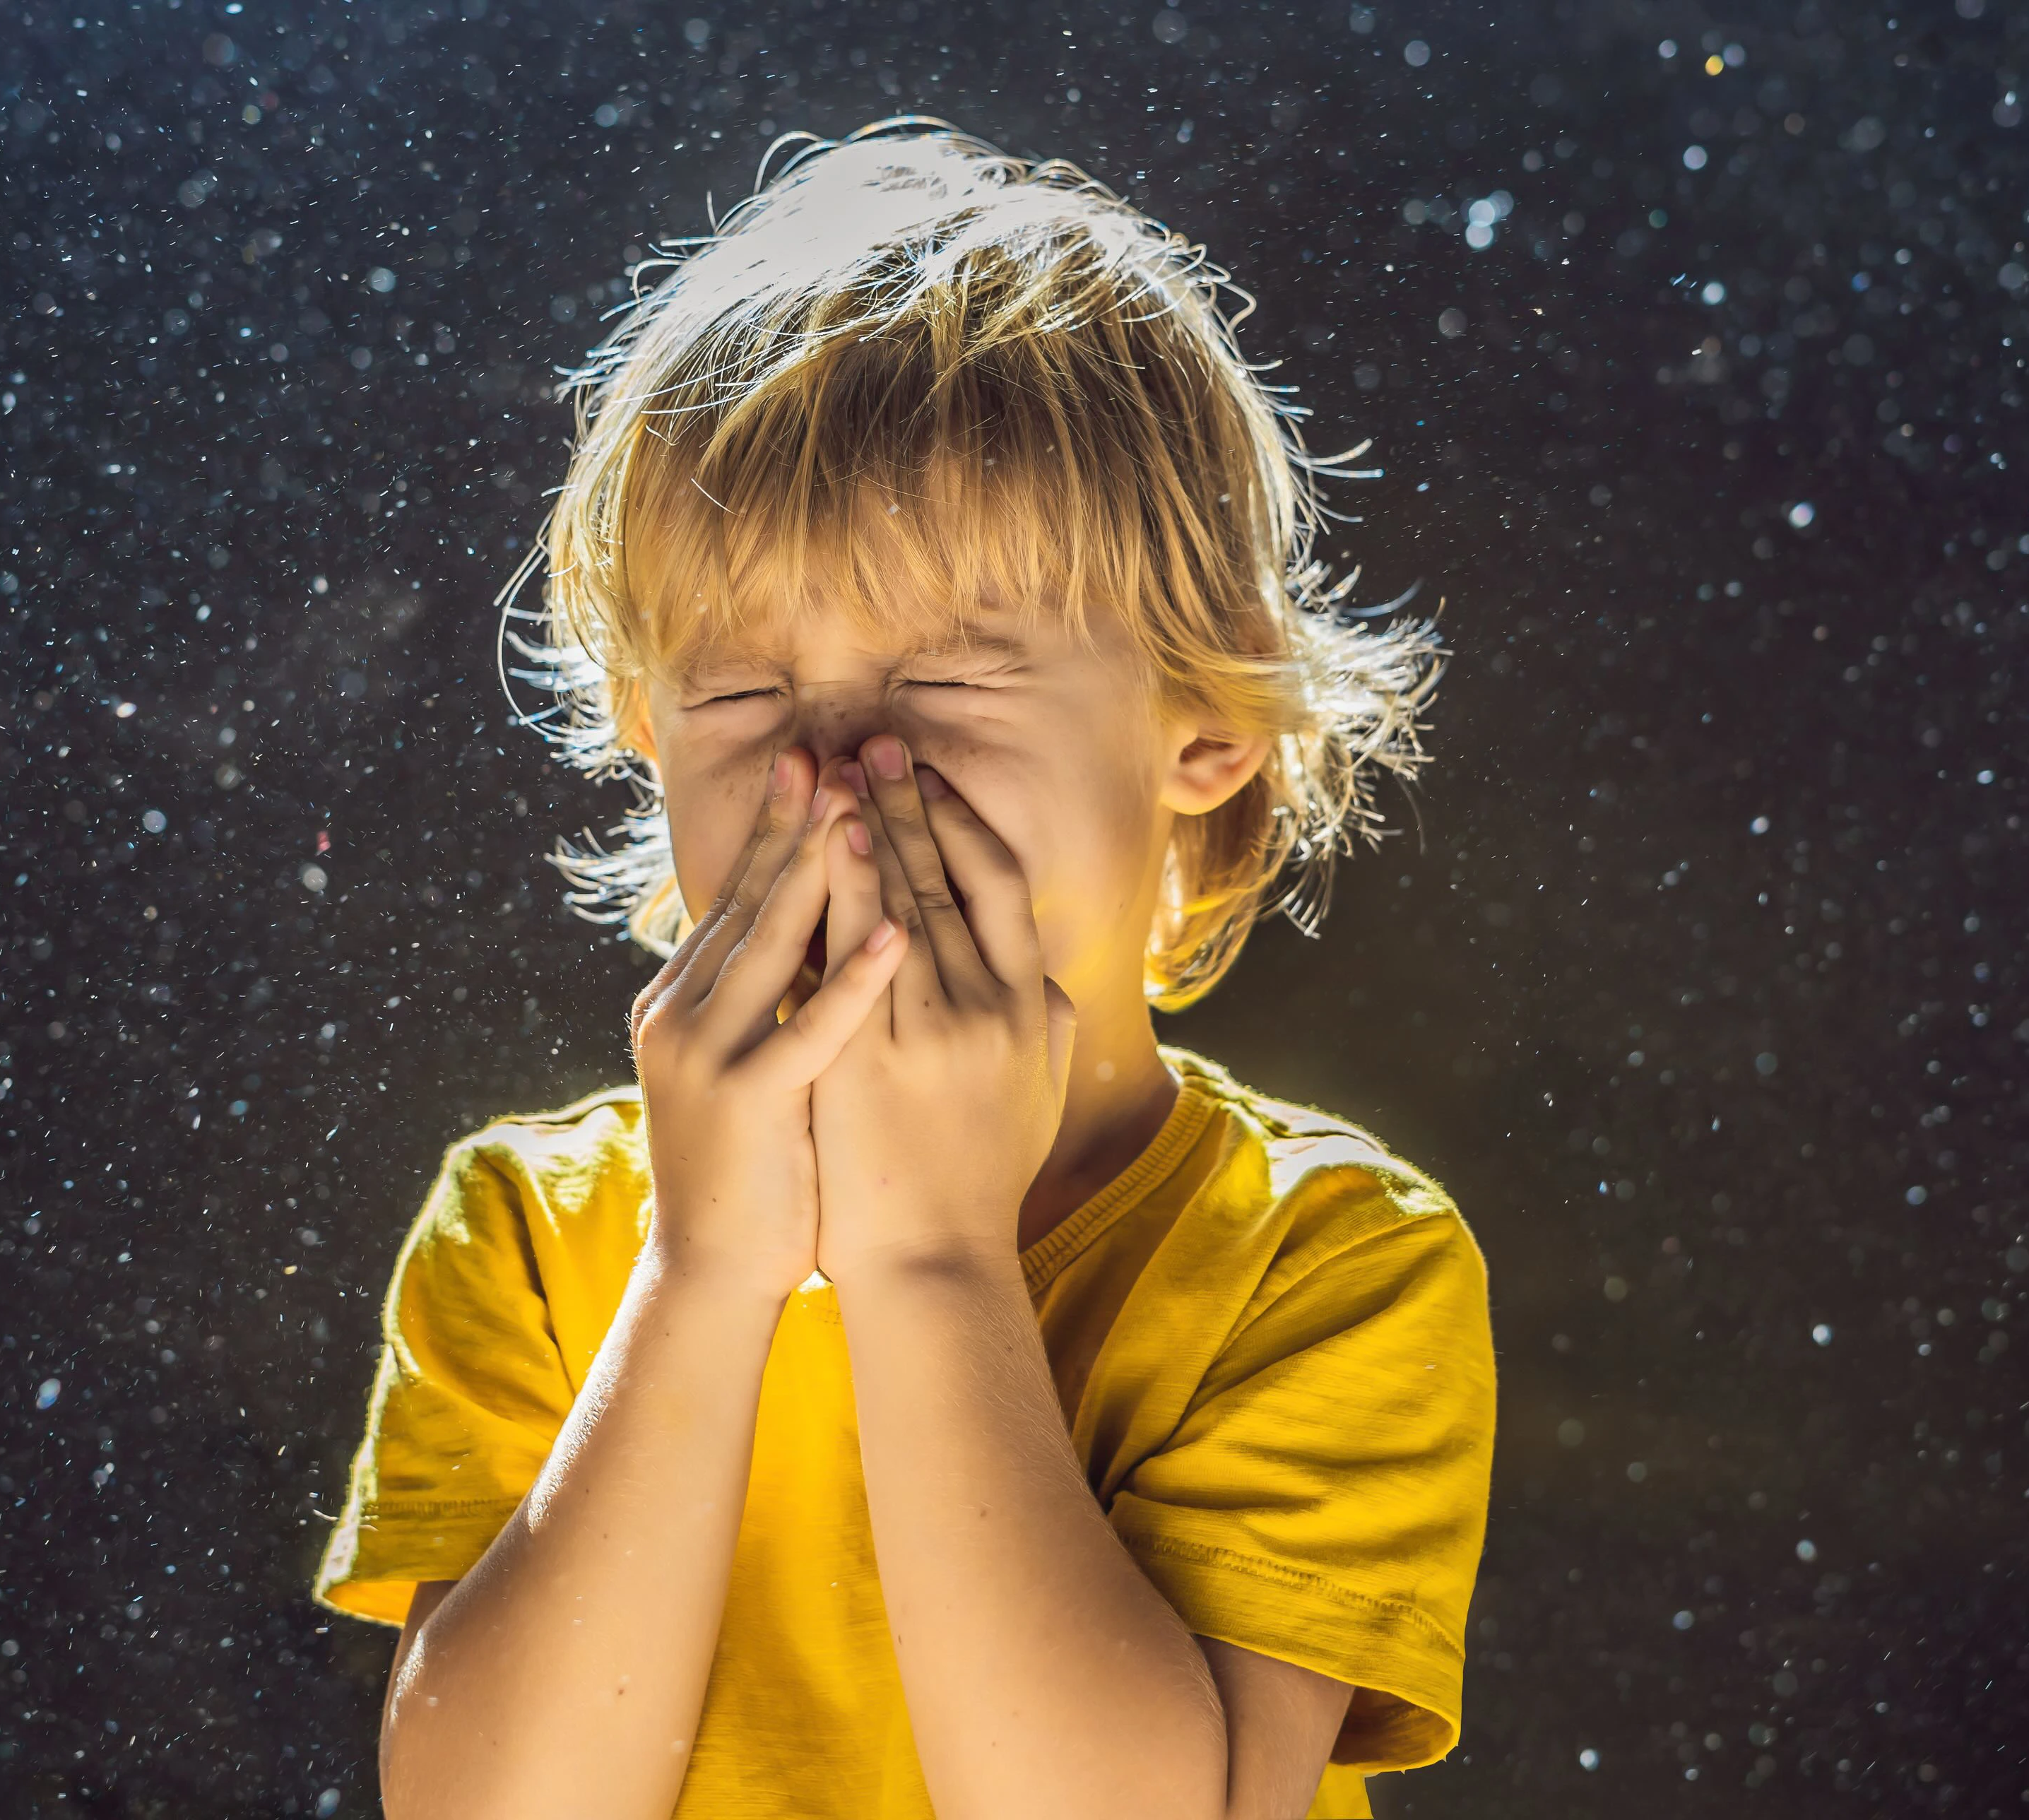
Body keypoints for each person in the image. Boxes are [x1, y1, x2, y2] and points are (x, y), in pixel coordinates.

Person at [312, 119, 1496, 1820]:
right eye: (737, 697)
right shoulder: (529, 1229)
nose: (848, 762)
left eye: (955, 673)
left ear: (1209, 729)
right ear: (648, 742)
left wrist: (930, 1253)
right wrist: (708, 1271)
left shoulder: (1328, 1264)